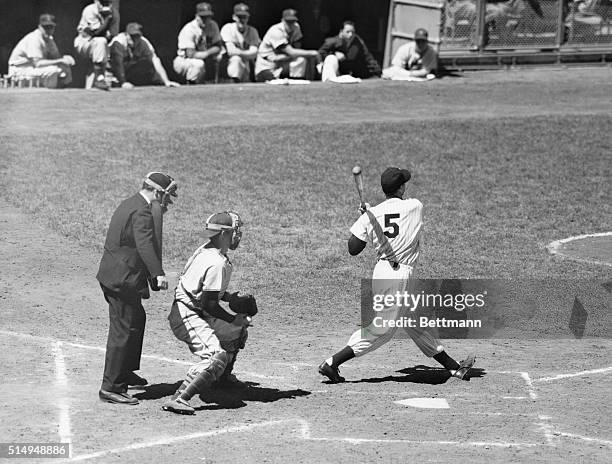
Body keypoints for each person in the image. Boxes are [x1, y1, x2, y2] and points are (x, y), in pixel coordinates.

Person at [318, 167, 475, 384]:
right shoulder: (415, 206)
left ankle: (454, 368)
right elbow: (397, 217)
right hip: (398, 276)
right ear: (401, 187)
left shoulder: (373, 215)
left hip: (383, 272)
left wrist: (368, 218)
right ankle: (332, 362)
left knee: (413, 321)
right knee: (383, 330)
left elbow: (353, 248)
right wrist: (371, 215)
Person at [163, 211, 258, 415]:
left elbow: (207, 292)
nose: (238, 235)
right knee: (216, 356)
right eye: (235, 231)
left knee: (237, 332)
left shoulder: (208, 251)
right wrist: (233, 317)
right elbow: (209, 305)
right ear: (223, 233)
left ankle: (221, 379)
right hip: (187, 315)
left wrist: (230, 299)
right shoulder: (216, 262)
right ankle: (179, 398)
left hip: (194, 309)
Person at [97, 172, 178, 405]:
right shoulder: (141, 210)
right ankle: (111, 387)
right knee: (123, 330)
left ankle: (126, 370)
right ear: (158, 192)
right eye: (168, 195)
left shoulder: (131, 203)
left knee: (137, 319)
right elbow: (144, 245)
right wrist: (158, 274)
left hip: (120, 274)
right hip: (121, 279)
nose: (169, 201)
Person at [7, 14, 74, 88]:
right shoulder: (34, 38)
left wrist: (65, 58)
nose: (48, 30)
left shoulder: (49, 39)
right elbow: (38, 63)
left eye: (51, 27)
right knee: (53, 71)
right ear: (39, 26)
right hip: (19, 71)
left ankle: (64, 91)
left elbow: (57, 57)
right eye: (45, 27)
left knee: (64, 67)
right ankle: (50, 94)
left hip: (32, 70)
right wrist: (60, 60)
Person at [255, 9, 320, 82]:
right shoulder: (276, 30)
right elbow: (292, 52)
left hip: (283, 61)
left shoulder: (296, 27)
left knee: (302, 60)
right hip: (267, 66)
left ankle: (307, 83)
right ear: (282, 20)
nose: (291, 24)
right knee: (305, 56)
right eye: (288, 21)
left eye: (293, 21)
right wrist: (313, 53)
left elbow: (297, 48)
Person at [109, 22, 179, 89]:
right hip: (111, 72)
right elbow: (118, 64)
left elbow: (155, 61)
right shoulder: (118, 42)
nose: (134, 39)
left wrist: (166, 81)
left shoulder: (143, 42)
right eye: (132, 36)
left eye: (137, 36)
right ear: (126, 34)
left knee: (146, 64)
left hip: (127, 71)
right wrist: (123, 82)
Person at [173, 2, 223, 85]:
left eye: (208, 17)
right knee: (198, 64)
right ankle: (191, 87)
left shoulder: (213, 25)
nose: (205, 20)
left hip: (203, 57)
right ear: (197, 16)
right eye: (202, 17)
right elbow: (190, 54)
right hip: (183, 60)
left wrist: (206, 53)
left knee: (217, 58)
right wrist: (208, 53)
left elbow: (218, 46)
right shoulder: (189, 29)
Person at [74, 0, 117, 90]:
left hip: (99, 44)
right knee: (101, 41)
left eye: (107, 2)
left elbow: (112, 36)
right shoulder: (90, 10)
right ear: (96, 1)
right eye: (102, 2)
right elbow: (96, 33)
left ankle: (103, 81)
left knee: (107, 45)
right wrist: (108, 19)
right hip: (84, 42)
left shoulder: (115, 13)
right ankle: (99, 79)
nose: (105, 4)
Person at [220, 3, 261, 83]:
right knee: (236, 59)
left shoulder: (253, 31)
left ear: (248, 18)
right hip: (228, 65)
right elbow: (231, 51)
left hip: (247, 65)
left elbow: (254, 53)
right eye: (239, 17)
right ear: (234, 17)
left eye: (244, 17)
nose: (242, 20)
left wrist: (238, 52)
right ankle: (232, 82)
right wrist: (247, 53)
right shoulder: (228, 28)